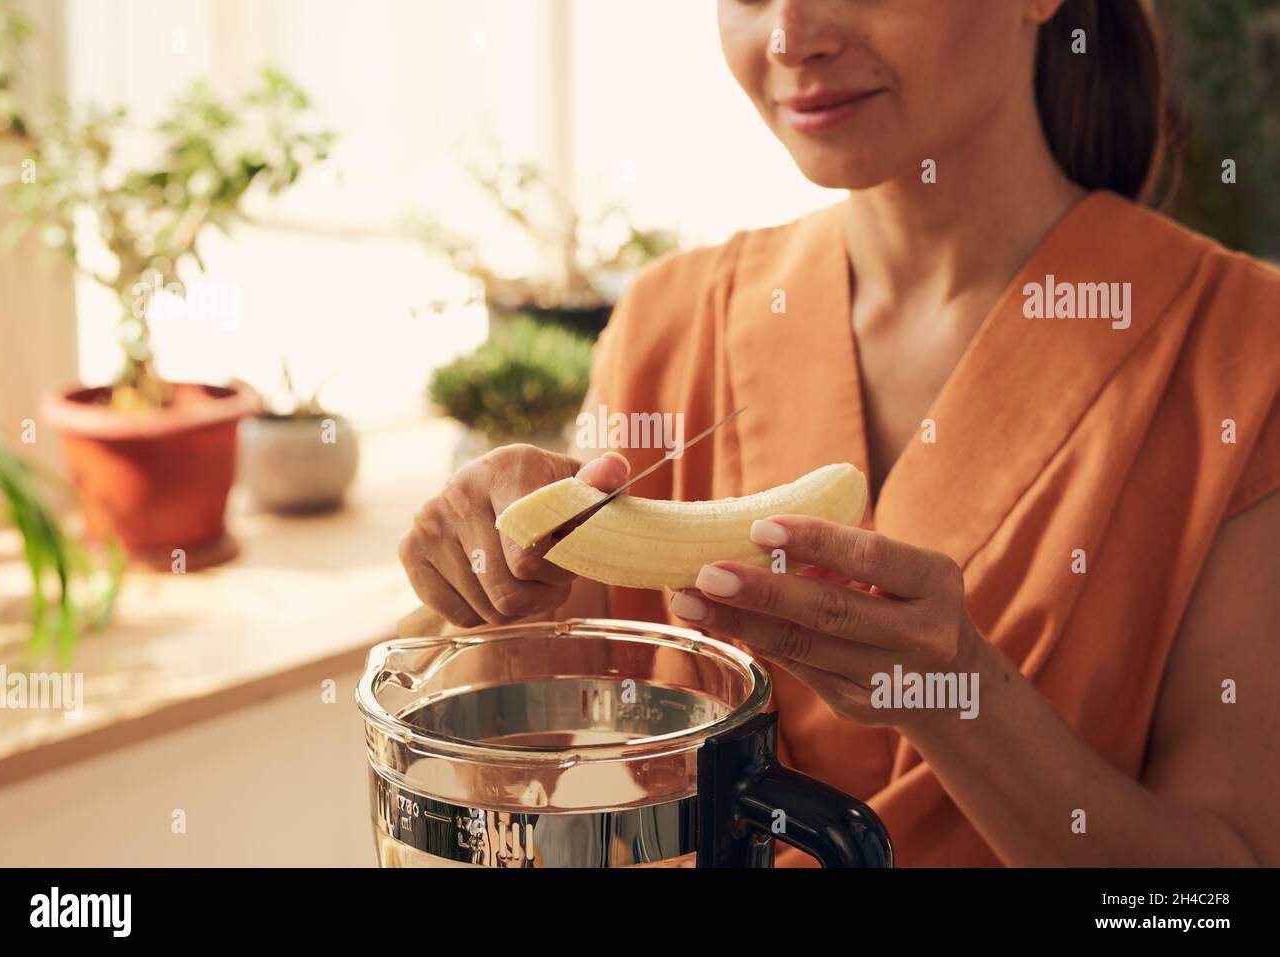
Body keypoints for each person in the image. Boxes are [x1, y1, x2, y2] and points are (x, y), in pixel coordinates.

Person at [399, 0, 1280, 866]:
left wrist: (957, 697)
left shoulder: (1246, 356)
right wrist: (485, 584)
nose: (790, 38)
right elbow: (513, 797)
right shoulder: (666, 325)